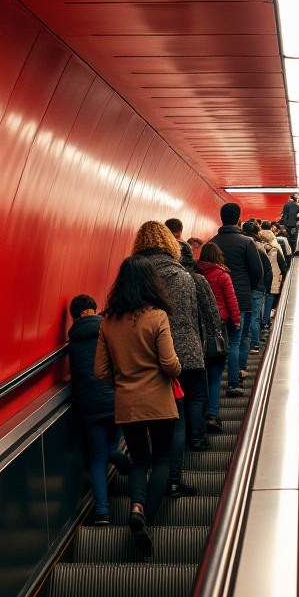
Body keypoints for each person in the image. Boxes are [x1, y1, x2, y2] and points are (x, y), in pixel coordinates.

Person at [95, 256, 181, 552]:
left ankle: (136, 508)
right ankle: (148, 519)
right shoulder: (157, 316)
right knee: (162, 460)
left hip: (127, 403)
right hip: (157, 400)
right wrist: (176, 369)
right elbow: (170, 363)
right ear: (151, 283)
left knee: (139, 461)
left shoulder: (108, 321)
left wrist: (124, 382)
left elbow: (100, 371)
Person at [131, 221, 207, 495]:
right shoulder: (180, 274)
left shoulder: (132, 272)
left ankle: (144, 482)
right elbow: (188, 320)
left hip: (140, 357)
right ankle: (172, 479)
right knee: (177, 422)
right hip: (181, 356)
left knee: (145, 426)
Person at [67, 294, 131, 525]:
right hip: (115, 399)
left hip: (90, 406)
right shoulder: (109, 330)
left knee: (97, 457)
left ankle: (102, 512)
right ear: (90, 311)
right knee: (112, 447)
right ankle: (126, 465)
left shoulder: (72, 343)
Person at [209, 203, 264, 395]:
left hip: (215, 301)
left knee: (218, 340)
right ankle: (234, 381)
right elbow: (258, 271)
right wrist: (247, 288)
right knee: (237, 340)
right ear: (239, 220)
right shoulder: (246, 243)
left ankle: (214, 386)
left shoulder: (212, 242)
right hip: (240, 297)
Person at [179, 239, 228, 448]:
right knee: (197, 395)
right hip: (196, 348)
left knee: (178, 398)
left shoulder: (155, 280)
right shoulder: (198, 280)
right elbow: (211, 314)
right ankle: (197, 437)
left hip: (164, 351)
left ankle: (178, 443)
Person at [197, 242, 240, 433]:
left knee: (201, 373)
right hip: (217, 326)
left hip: (197, 328)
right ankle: (212, 414)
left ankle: (199, 416)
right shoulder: (223, 275)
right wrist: (236, 321)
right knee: (215, 374)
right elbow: (231, 299)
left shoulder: (193, 275)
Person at [242, 219, 273, 352]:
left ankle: (243, 343)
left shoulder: (240, 245)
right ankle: (254, 344)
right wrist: (266, 286)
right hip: (258, 287)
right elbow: (267, 269)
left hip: (242, 287)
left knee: (242, 317)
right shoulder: (259, 247)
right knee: (254, 317)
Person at [256, 227, 286, 329]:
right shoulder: (275, 250)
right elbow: (283, 266)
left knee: (260, 299)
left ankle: (259, 319)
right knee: (269, 297)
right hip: (273, 277)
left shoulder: (256, 249)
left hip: (259, 278)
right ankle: (266, 320)